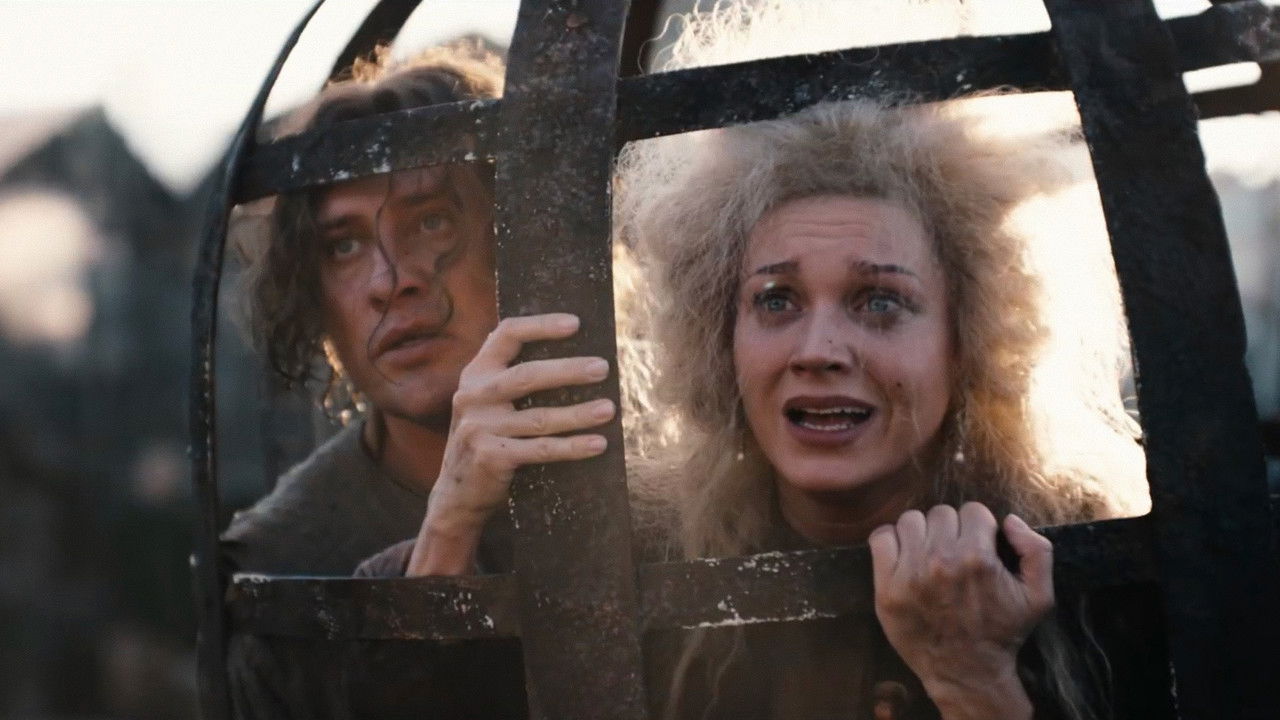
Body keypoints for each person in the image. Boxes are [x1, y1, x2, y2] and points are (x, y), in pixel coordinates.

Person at [223, 42, 618, 718]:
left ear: (523, 237)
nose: (391, 281)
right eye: (344, 245)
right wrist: (445, 539)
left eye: (432, 221)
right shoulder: (280, 560)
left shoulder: (676, 469)